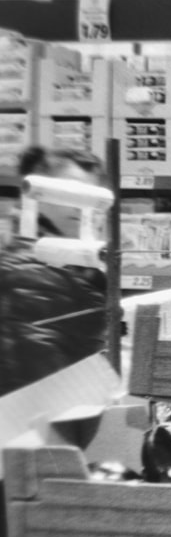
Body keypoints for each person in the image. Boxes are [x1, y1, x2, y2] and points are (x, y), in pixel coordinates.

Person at [0, 145, 109, 397]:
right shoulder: (28, 275)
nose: (83, 205)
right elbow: (32, 391)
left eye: (92, 195)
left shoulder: (68, 262)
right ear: (37, 194)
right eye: (71, 191)